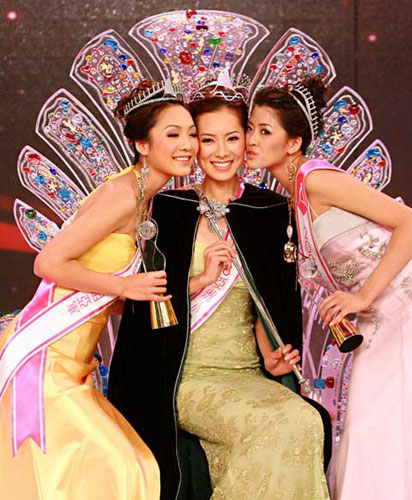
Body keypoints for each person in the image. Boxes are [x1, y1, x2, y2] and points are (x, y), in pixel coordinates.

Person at [108, 83, 330, 500]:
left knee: (304, 420)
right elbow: (135, 302)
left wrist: (271, 353)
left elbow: (267, 300)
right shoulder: (167, 209)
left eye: (232, 137)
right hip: (183, 374)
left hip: (245, 372)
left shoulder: (269, 211)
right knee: (273, 425)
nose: (221, 151)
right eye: (207, 139)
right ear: (194, 145)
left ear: (248, 139)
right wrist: (201, 280)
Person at [0, 79, 198, 500]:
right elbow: (48, 263)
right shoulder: (122, 194)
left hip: (77, 364)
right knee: (119, 467)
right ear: (142, 145)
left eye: (192, 133)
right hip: (45, 359)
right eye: (173, 134)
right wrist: (122, 285)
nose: (189, 144)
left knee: (130, 467)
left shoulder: (144, 196)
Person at [247, 77, 412, 500]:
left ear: (293, 142)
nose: (250, 139)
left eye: (265, 131)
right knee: (370, 427)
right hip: (377, 320)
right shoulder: (292, 199)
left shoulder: (316, 178)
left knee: (378, 427)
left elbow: (408, 222)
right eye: (250, 128)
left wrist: (362, 296)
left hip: (403, 304)